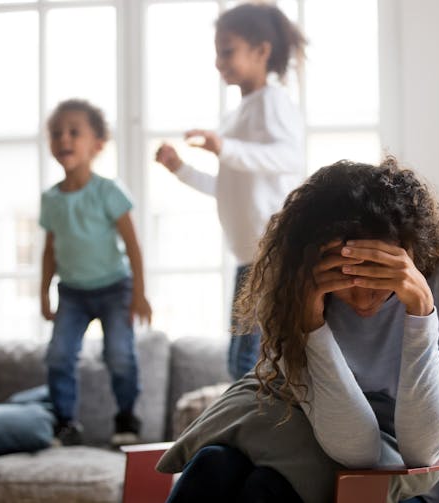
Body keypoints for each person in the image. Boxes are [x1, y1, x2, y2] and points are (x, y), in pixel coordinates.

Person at [156, 158, 439, 503]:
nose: (362, 298)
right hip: (315, 430)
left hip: (411, 482)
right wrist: (310, 324)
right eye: (344, 277)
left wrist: (421, 311)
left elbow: (423, 451)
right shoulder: (293, 287)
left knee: (266, 486)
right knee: (215, 466)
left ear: (409, 250)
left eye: (378, 274)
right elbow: (356, 447)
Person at [154, 2, 306, 380]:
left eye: (227, 51)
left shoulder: (272, 101)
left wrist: (224, 147)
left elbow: (289, 157)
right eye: (217, 54)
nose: (219, 62)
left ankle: (249, 432)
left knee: (248, 361)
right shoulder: (236, 115)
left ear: (261, 51)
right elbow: (224, 188)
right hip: (248, 256)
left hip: (273, 252)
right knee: (239, 360)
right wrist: (180, 169)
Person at [40, 99, 152, 447]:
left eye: (74, 132)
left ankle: (126, 417)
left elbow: (133, 245)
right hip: (72, 292)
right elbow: (49, 251)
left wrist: (139, 293)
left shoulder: (108, 191)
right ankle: (64, 422)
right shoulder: (51, 200)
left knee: (119, 354)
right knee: (58, 355)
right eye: (57, 133)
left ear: (97, 145)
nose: (64, 139)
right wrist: (44, 292)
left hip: (115, 288)